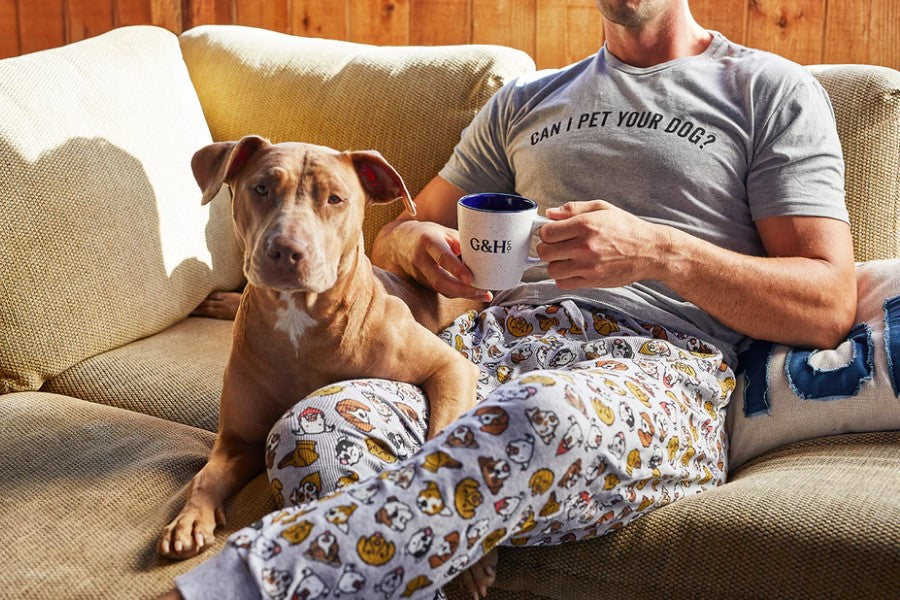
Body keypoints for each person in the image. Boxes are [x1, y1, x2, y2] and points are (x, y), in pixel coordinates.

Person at [166, 0, 855, 598]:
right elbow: (396, 232)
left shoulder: (769, 90)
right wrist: (418, 245)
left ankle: (240, 586)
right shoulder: (525, 102)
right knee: (310, 436)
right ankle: (459, 519)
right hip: (487, 350)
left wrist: (659, 252)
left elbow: (827, 306)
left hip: (654, 366)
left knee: (543, 412)